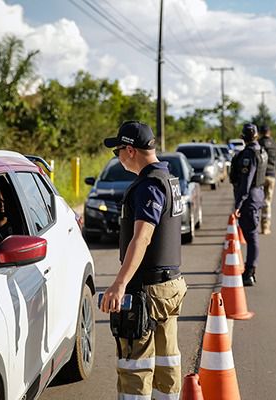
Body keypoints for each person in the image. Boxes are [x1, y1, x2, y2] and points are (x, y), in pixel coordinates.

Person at [100, 120, 188, 400]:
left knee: (134, 365)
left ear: (129, 150)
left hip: (148, 290)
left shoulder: (148, 186)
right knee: (166, 362)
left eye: (117, 151)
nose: (118, 157)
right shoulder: (169, 180)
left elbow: (142, 238)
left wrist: (119, 284)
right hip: (170, 287)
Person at [229, 123, 267, 287]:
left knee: (251, 236)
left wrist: (238, 204)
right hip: (257, 196)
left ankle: (250, 273)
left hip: (249, 199)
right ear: (257, 135)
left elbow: (246, 181)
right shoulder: (262, 151)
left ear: (243, 137)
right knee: (252, 236)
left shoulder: (249, 154)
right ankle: (250, 270)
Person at [257, 124, 276, 235]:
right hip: (271, 176)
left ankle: (253, 224)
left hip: (259, 177)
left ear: (260, 132)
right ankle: (265, 227)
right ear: (269, 132)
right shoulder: (275, 144)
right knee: (267, 202)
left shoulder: (258, 144)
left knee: (256, 200)